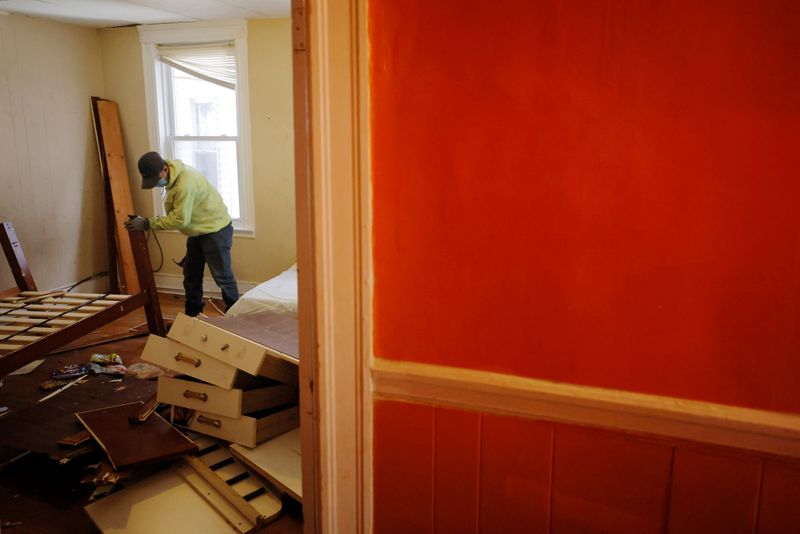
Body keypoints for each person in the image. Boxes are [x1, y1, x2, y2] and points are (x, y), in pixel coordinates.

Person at [124, 151, 239, 317]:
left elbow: (179, 221)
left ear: (164, 169)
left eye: (156, 180)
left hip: (216, 229)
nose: (157, 184)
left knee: (222, 276)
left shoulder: (185, 183)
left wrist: (149, 223)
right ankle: (192, 316)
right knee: (191, 274)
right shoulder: (173, 177)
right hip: (198, 229)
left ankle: (235, 317)